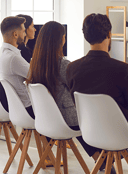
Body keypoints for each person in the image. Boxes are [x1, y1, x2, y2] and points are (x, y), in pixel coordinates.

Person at [66, 13, 128, 174]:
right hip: (122, 132)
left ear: (86, 36)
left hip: (91, 132)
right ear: (109, 34)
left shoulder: (72, 68)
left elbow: (76, 104)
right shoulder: (122, 69)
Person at [26, 21, 101, 161]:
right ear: (60, 40)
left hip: (45, 120)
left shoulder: (34, 64)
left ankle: (102, 159)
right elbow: (80, 89)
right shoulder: (63, 65)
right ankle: (104, 158)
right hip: (66, 120)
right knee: (96, 115)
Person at [0, 16, 32, 115]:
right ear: (15, 34)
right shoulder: (13, 58)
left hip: (16, 108)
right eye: (23, 31)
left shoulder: (3, 53)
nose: (25, 34)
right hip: (28, 109)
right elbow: (37, 75)